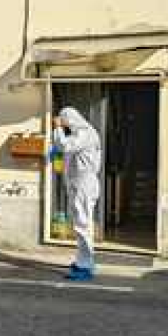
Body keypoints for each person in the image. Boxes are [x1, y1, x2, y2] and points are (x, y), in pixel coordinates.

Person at [51, 107, 102, 281]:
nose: (64, 125)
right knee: (81, 223)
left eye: (65, 121)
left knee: (83, 224)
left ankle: (85, 266)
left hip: (83, 185)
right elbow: (67, 152)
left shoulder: (85, 133)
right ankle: (83, 260)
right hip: (80, 184)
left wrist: (57, 129)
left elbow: (65, 146)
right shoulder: (82, 133)